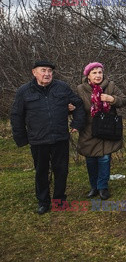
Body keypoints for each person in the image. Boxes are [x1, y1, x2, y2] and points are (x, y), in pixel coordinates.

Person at [10, 60, 85, 214]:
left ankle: (59, 200)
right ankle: (43, 202)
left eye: (50, 71)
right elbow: (16, 116)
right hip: (38, 140)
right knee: (41, 171)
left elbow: (78, 104)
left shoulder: (62, 87)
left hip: (60, 138)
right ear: (34, 72)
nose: (47, 74)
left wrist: (77, 123)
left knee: (61, 170)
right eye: (43, 70)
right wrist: (21, 138)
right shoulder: (24, 91)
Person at [76, 62, 126, 200]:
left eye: (100, 72)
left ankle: (103, 187)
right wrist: (71, 110)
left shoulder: (110, 86)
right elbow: (76, 107)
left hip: (107, 129)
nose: (98, 75)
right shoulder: (80, 89)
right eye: (94, 73)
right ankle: (94, 187)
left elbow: (124, 100)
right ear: (88, 76)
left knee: (104, 159)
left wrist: (112, 99)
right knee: (91, 160)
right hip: (89, 130)